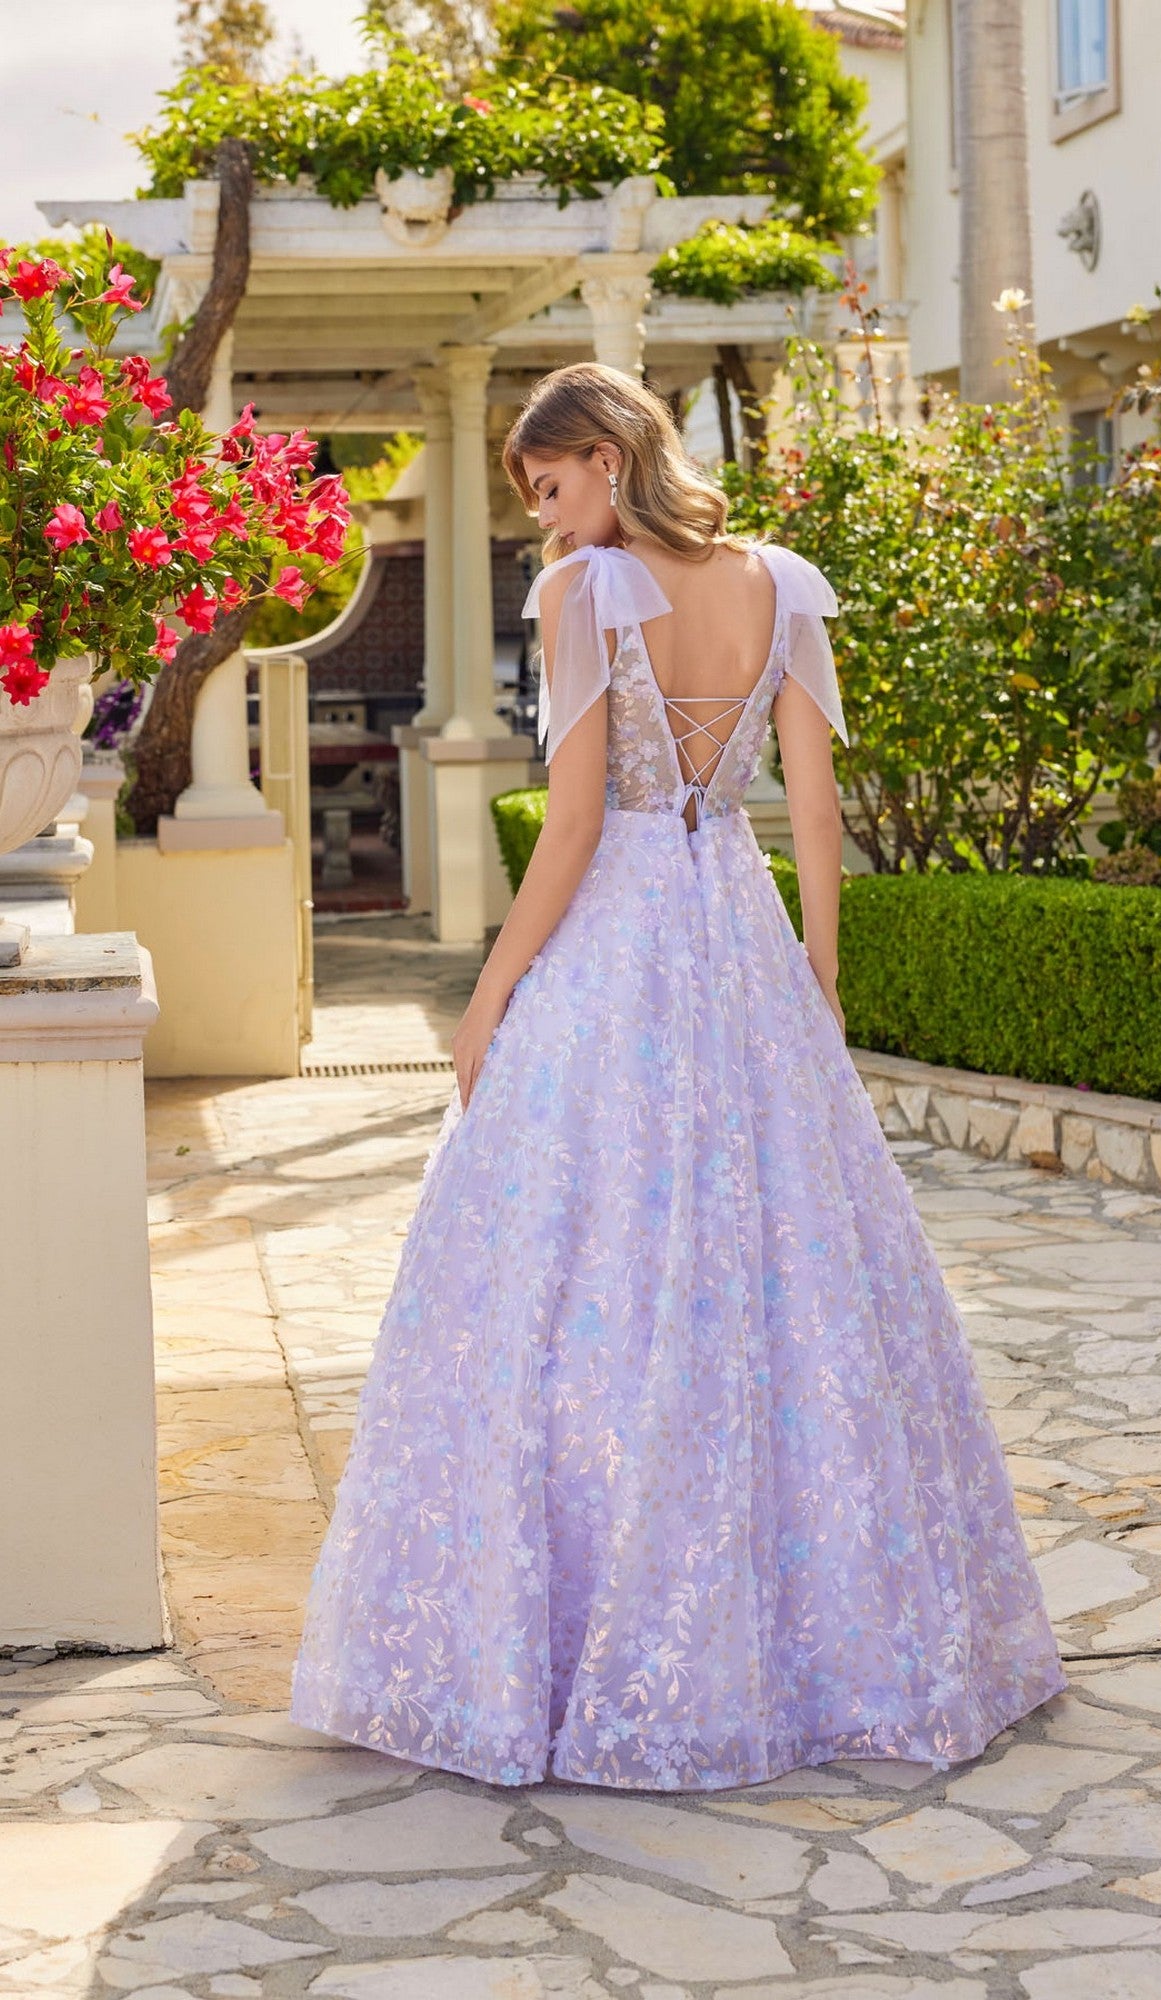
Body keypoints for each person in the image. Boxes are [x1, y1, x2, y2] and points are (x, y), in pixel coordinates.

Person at [289, 360, 1067, 1791]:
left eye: (550, 484)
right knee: (777, 1260)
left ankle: (586, 1622)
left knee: (583, 1253)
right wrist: (821, 982)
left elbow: (575, 823)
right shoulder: (784, 578)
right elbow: (813, 808)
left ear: (603, 452)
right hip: (745, 935)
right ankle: (831, 1627)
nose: (549, 520)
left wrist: (492, 989)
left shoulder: (589, 596)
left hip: (626, 939)